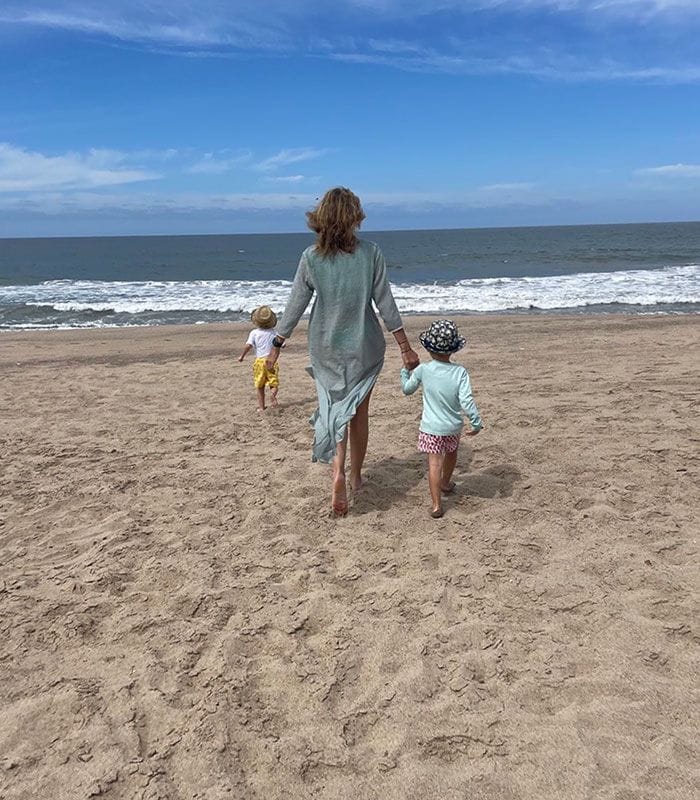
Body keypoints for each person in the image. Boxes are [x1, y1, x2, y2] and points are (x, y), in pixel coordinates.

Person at [265, 187, 420, 516]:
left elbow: (294, 306)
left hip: (325, 347)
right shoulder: (371, 253)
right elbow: (385, 304)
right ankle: (356, 476)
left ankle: (336, 470)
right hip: (364, 346)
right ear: (354, 217)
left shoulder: (311, 258)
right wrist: (405, 347)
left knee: (335, 411)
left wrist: (277, 345)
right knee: (359, 414)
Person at [400, 319, 483, 519]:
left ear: (429, 348)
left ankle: (437, 505)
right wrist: (475, 420)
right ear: (453, 349)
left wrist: (404, 372)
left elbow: (407, 390)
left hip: (430, 428)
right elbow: (466, 399)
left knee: (434, 464)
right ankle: (446, 482)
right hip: (452, 426)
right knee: (452, 453)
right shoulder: (460, 372)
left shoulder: (423, 370)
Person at [238, 305, 281, 412]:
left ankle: (261, 407)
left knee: (260, 385)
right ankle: (273, 394)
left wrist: (242, 356)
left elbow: (248, 346)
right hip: (272, 360)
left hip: (260, 362)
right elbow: (281, 343)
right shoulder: (274, 332)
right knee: (273, 383)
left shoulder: (254, 333)